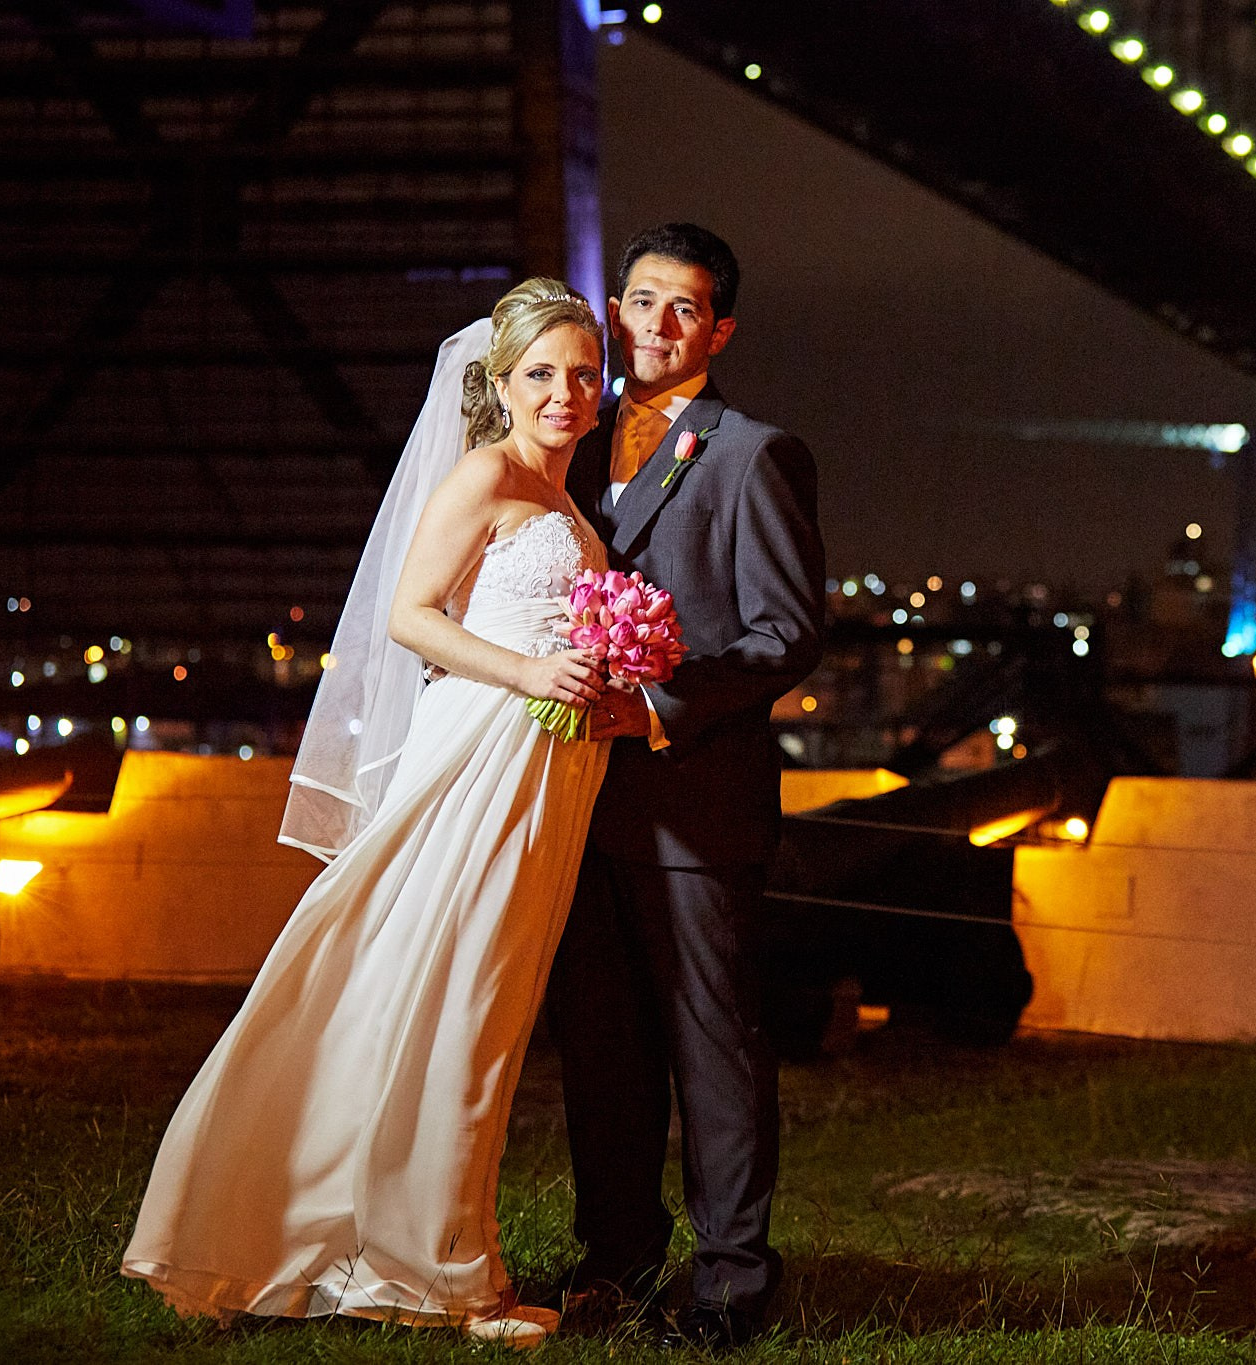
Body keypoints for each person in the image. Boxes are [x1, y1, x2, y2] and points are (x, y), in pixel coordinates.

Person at [121, 279, 616, 1349]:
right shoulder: (485, 473)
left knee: (472, 1009)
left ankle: (413, 1247)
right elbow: (407, 617)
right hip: (479, 763)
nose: (567, 392)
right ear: (497, 383)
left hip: (546, 772)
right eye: (542, 373)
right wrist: (532, 668)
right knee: (452, 1002)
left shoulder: (570, 498)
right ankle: (438, 1276)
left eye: (583, 373)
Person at [542, 222, 825, 1349]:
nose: (658, 326)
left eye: (684, 308)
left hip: (695, 808)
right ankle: (613, 1258)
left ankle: (730, 1286)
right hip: (574, 803)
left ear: (720, 330)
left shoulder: (756, 454)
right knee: (599, 1050)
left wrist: (657, 705)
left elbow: (787, 632)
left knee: (713, 1049)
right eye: (642, 301)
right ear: (615, 310)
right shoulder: (563, 439)